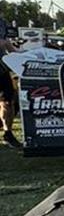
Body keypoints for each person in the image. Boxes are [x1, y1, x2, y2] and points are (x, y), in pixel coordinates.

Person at [0, 20, 19, 148]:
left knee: (8, 101)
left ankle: (8, 133)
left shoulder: (2, 23)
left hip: (1, 68)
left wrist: (20, 56)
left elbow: (7, 45)